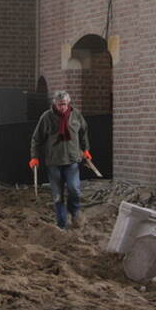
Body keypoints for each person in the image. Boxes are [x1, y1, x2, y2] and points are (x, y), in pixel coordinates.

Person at [29, 90, 91, 230]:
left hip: (72, 159)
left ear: (68, 103)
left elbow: (83, 131)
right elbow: (36, 139)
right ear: (54, 104)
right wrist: (34, 157)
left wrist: (86, 149)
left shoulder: (76, 115)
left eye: (63, 104)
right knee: (58, 195)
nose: (61, 107)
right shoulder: (46, 117)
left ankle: (75, 212)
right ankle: (62, 223)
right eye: (59, 104)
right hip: (54, 161)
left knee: (74, 189)